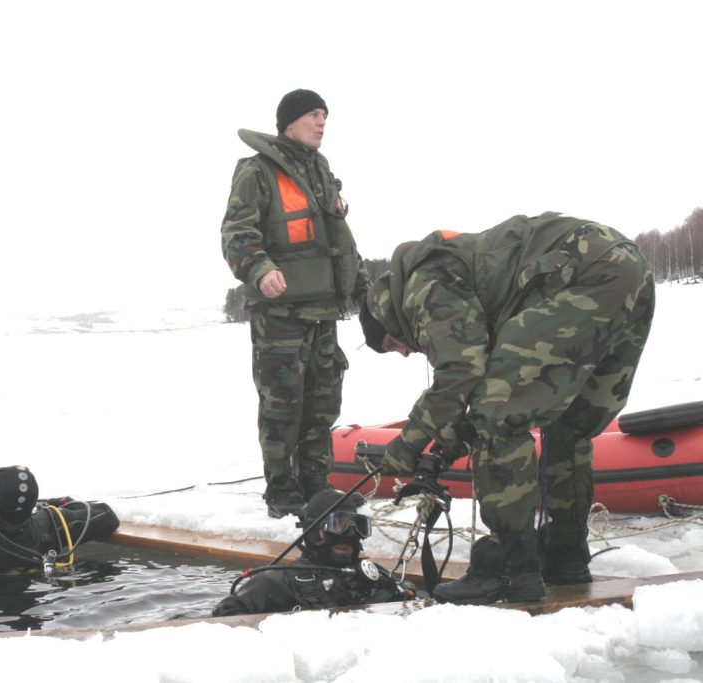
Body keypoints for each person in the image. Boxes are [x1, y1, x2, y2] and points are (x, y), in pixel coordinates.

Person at [360, 212, 655, 605]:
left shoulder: (420, 286)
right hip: (626, 267)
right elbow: (488, 370)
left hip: (576, 269)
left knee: (497, 418)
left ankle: (510, 569)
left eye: (394, 344)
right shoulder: (454, 270)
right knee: (568, 425)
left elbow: (463, 371)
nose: (406, 351)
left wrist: (407, 446)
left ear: (387, 317)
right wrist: (450, 441)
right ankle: (566, 555)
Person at [220, 89, 370, 519]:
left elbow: (341, 243)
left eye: (325, 116)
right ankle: (282, 491)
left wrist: (363, 291)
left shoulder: (320, 171)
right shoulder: (257, 172)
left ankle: (317, 486)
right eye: (313, 115)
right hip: (281, 312)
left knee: (322, 402)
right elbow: (236, 232)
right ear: (289, 122)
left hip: (323, 311)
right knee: (283, 403)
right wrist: (260, 268)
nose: (322, 123)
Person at [212, 489, 414, 616]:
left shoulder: (372, 576)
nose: (349, 535)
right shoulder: (277, 581)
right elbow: (226, 615)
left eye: (357, 526)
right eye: (338, 524)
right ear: (313, 530)